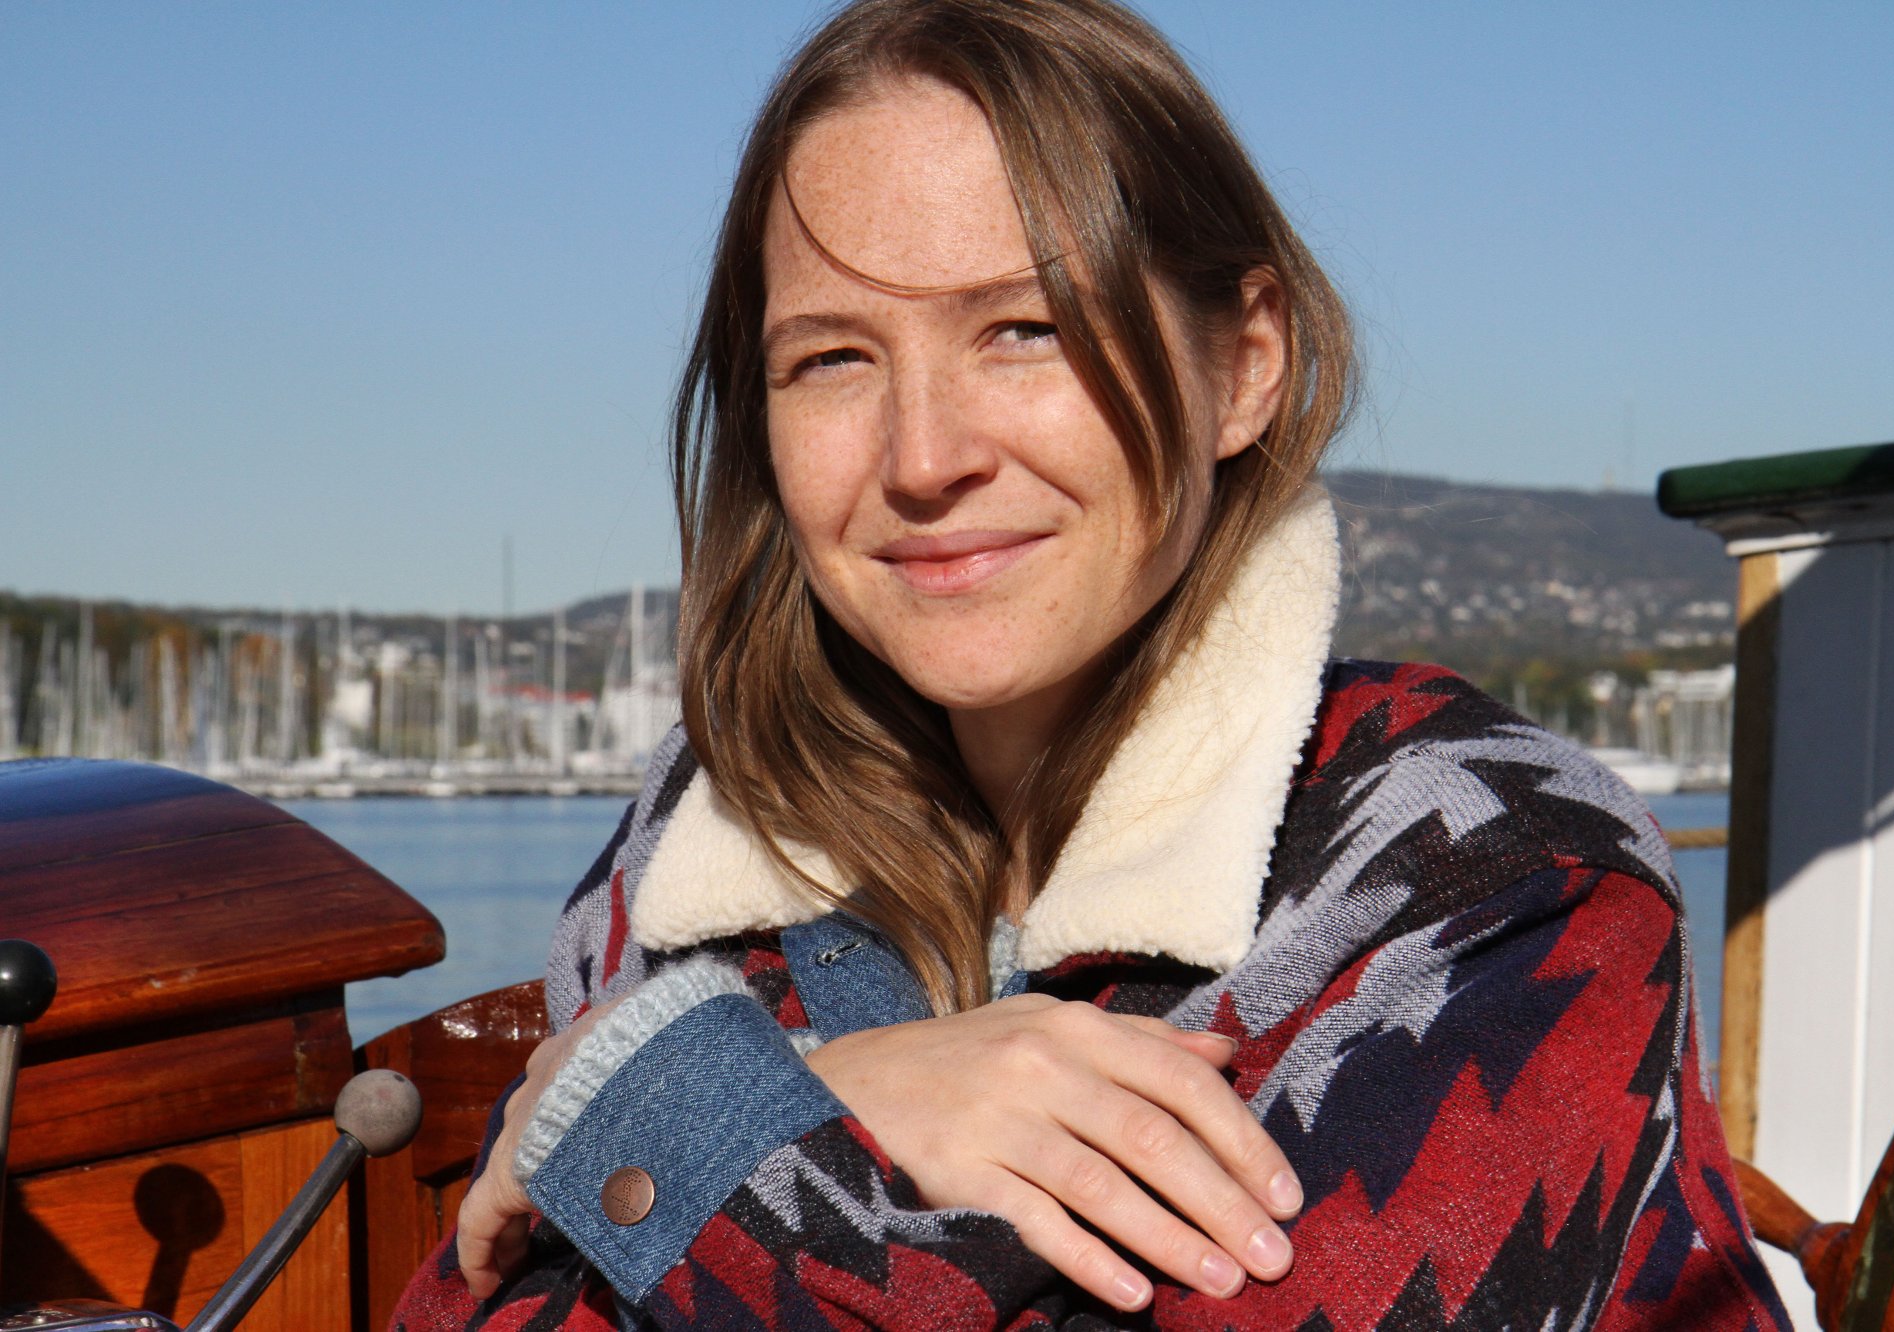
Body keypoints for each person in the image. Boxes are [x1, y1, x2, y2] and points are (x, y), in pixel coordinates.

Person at [394, 1, 1790, 1326]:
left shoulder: (1501, 875)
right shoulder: (700, 839)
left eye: (1024, 330)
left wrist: (668, 1101)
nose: (923, 457)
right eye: (831, 359)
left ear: (1243, 365)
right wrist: (852, 1085)